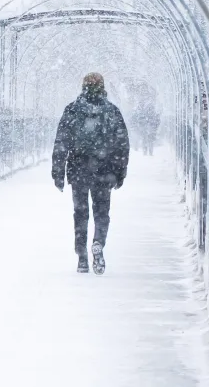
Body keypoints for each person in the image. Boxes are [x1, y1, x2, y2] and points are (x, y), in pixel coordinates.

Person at [51, 73, 130, 275]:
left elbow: (61, 143)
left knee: (81, 212)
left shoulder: (72, 110)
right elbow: (122, 145)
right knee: (102, 212)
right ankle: (98, 242)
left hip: (78, 170)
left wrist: (58, 172)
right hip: (105, 171)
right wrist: (120, 172)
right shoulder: (111, 111)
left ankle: (82, 257)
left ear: (83, 87)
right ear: (103, 88)